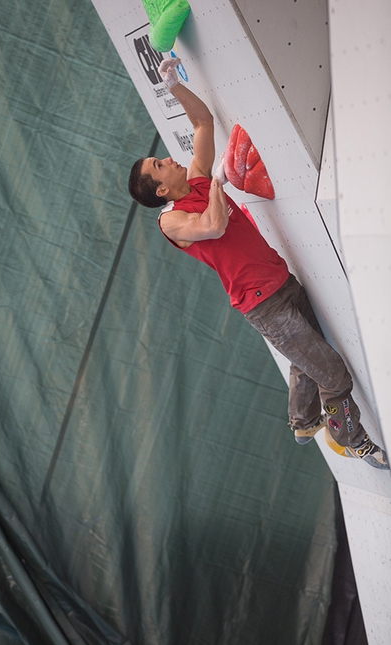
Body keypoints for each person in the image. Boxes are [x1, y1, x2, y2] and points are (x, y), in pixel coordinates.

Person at [128, 57, 389, 470]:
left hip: (280, 277)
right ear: (160, 189)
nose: (167, 159)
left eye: (160, 157)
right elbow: (212, 226)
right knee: (332, 373)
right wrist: (218, 181)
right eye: (160, 165)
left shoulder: (196, 176)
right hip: (262, 305)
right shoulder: (171, 220)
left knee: (307, 360)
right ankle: (349, 438)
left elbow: (201, 124)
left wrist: (172, 86)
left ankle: (303, 421)